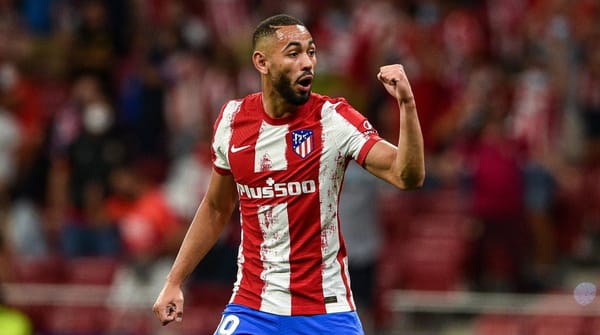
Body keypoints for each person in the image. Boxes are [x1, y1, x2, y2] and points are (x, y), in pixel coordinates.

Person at [152, 14, 425, 334]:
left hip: (326, 310)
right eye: (294, 53)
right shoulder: (232, 120)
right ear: (262, 62)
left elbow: (406, 176)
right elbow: (215, 208)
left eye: (311, 52)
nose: (307, 62)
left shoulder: (334, 120)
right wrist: (174, 281)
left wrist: (407, 105)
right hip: (253, 306)